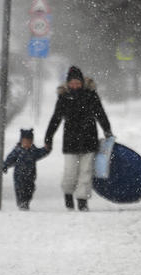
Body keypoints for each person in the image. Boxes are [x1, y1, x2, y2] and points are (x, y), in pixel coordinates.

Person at [44, 65, 113, 212]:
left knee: (86, 172)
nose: (75, 86)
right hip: (70, 141)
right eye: (72, 83)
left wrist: (107, 130)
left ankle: (82, 200)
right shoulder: (64, 98)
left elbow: (100, 114)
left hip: (89, 139)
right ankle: (68, 194)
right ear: (68, 83)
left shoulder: (91, 96)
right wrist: (48, 137)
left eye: (77, 83)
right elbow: (55, 119)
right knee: (70, 172)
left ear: (82, 82)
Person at [3, 128, 50, 210]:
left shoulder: (33, 151)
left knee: (30, 189)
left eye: (29, 142)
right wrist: (5, 165)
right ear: (21, 141)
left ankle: (26, 201)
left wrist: (46, 149)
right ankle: (21, 202)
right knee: (20, 189)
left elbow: (41, 153)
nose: (27, 144)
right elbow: (10, 158)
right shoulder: (17, 151)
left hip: (30, 175)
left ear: (32, 142)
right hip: (19, 175)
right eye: (24, 141)